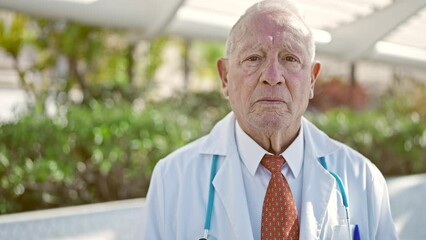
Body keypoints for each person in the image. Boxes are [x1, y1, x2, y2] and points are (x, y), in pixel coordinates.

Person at [143, 0, 398, 239]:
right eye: (254, 58)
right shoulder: (172, 179)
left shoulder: (363, 180)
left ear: (311, 79)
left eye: (290, 59)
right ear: (225, 77)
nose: (273, 76)